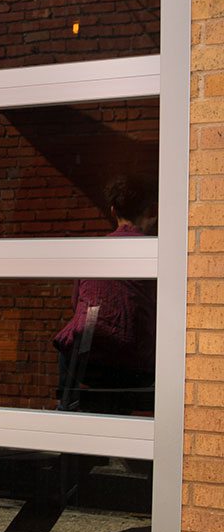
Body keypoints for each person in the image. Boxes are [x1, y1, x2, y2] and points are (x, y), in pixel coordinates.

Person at [54, 175, 158, 416]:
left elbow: (76, 302)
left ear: (113, 210)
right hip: (136, 364)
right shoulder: (155, 251)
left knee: (72, 336)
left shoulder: (94, 251)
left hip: (88, 362)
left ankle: (65, 410)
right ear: (151, 211)